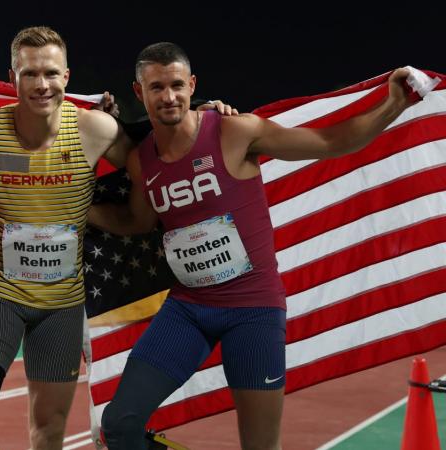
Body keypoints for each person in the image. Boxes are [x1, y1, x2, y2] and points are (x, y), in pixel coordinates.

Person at [0, 27, 233, 450]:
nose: (42, 85)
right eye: (31, 74)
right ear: (13, 77)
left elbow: (157, 152)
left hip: (62, 307)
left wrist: (206, 117)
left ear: (67, 76)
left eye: (52, 74)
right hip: (2, 297)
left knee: (48, 428)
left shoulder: (95, 129)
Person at [88, 42, 419, 450]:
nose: (168, 96)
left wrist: (394, 104)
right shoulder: (142, 161)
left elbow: (331, 142)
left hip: (253, 311)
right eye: (156, 87)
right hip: (189, 308)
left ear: (192, 85)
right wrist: (80, 208)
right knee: (119, 424)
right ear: (139, 92)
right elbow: (137, 221)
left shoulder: (234, 131)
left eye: (176, 85)